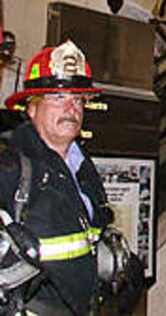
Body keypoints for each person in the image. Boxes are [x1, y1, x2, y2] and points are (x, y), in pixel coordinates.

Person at [0, 40, 142, 315]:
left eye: (77, 99)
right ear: (31, 108)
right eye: (57, 98)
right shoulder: (10, 165)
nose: (71, 109)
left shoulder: (83, 167)